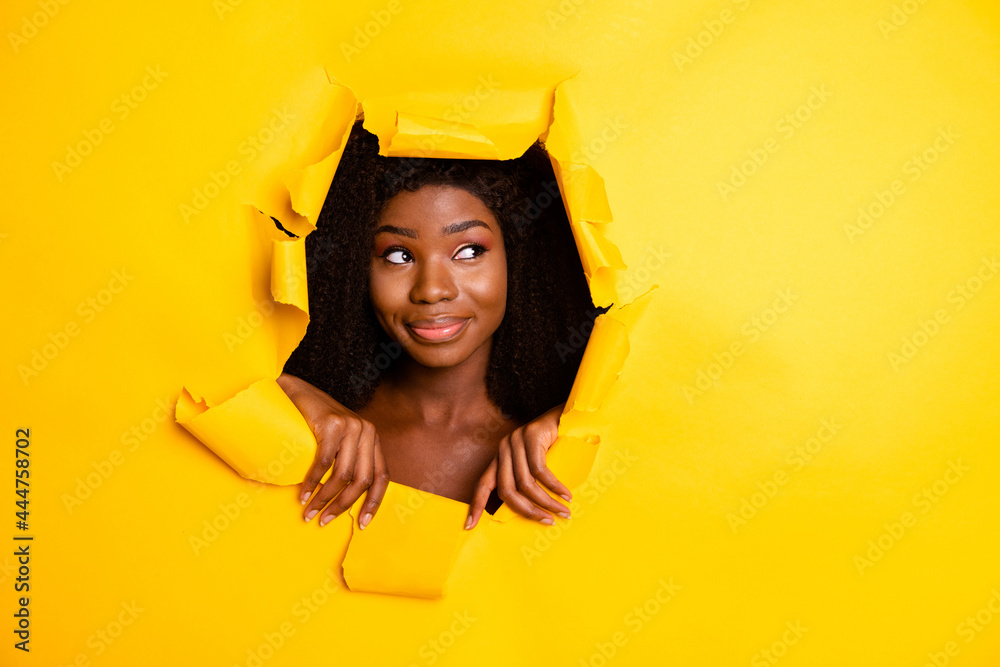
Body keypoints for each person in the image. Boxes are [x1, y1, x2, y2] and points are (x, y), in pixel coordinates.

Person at [277, 118, 602, 533]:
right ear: (357, 267)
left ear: (517, 259)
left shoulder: (559, 432)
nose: (432, 290)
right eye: (398, 255)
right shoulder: (314, 427)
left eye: (468, 251)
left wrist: (577, 419)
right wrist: (289, 390)